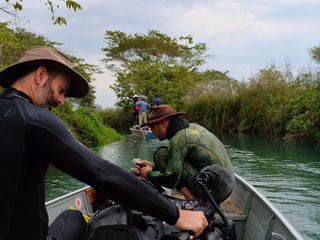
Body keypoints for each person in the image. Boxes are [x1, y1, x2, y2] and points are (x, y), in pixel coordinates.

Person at [0, 47, 207, 240]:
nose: (61, 101)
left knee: (71, 217)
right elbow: (102, 173)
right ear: (41, 75)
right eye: (62, 90)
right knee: (76, 218)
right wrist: (176, 214)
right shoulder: (34, 119)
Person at [135, 105, 234, 204]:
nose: (152, 131)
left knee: (161, 155)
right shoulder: (192, 127)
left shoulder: (179, 139)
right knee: (166, 157)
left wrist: (148, 174)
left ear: (163, 123)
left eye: (153, 127)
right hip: (226, 185)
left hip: (214, 192)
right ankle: (194, 199)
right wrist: (152, 167)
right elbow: (178, 163)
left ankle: (193, 201)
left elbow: (171, 180)